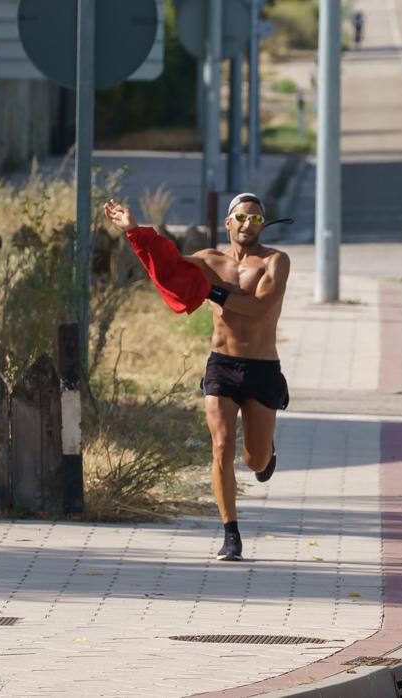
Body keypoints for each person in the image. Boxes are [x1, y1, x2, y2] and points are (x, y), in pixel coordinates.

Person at [103, 194, 291, 562]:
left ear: (263, 224)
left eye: (255, 219)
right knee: (221, 446)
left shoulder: (276, 261)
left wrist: (213, 289)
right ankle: (231, 534)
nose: (247, 225)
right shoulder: (208, 260)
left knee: (253, 460)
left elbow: (258, 308)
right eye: (240, 217)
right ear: (228, 222)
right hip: (221, 363)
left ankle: (266, 458)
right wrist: (135, 232)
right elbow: (168, 267)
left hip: (262, 368)